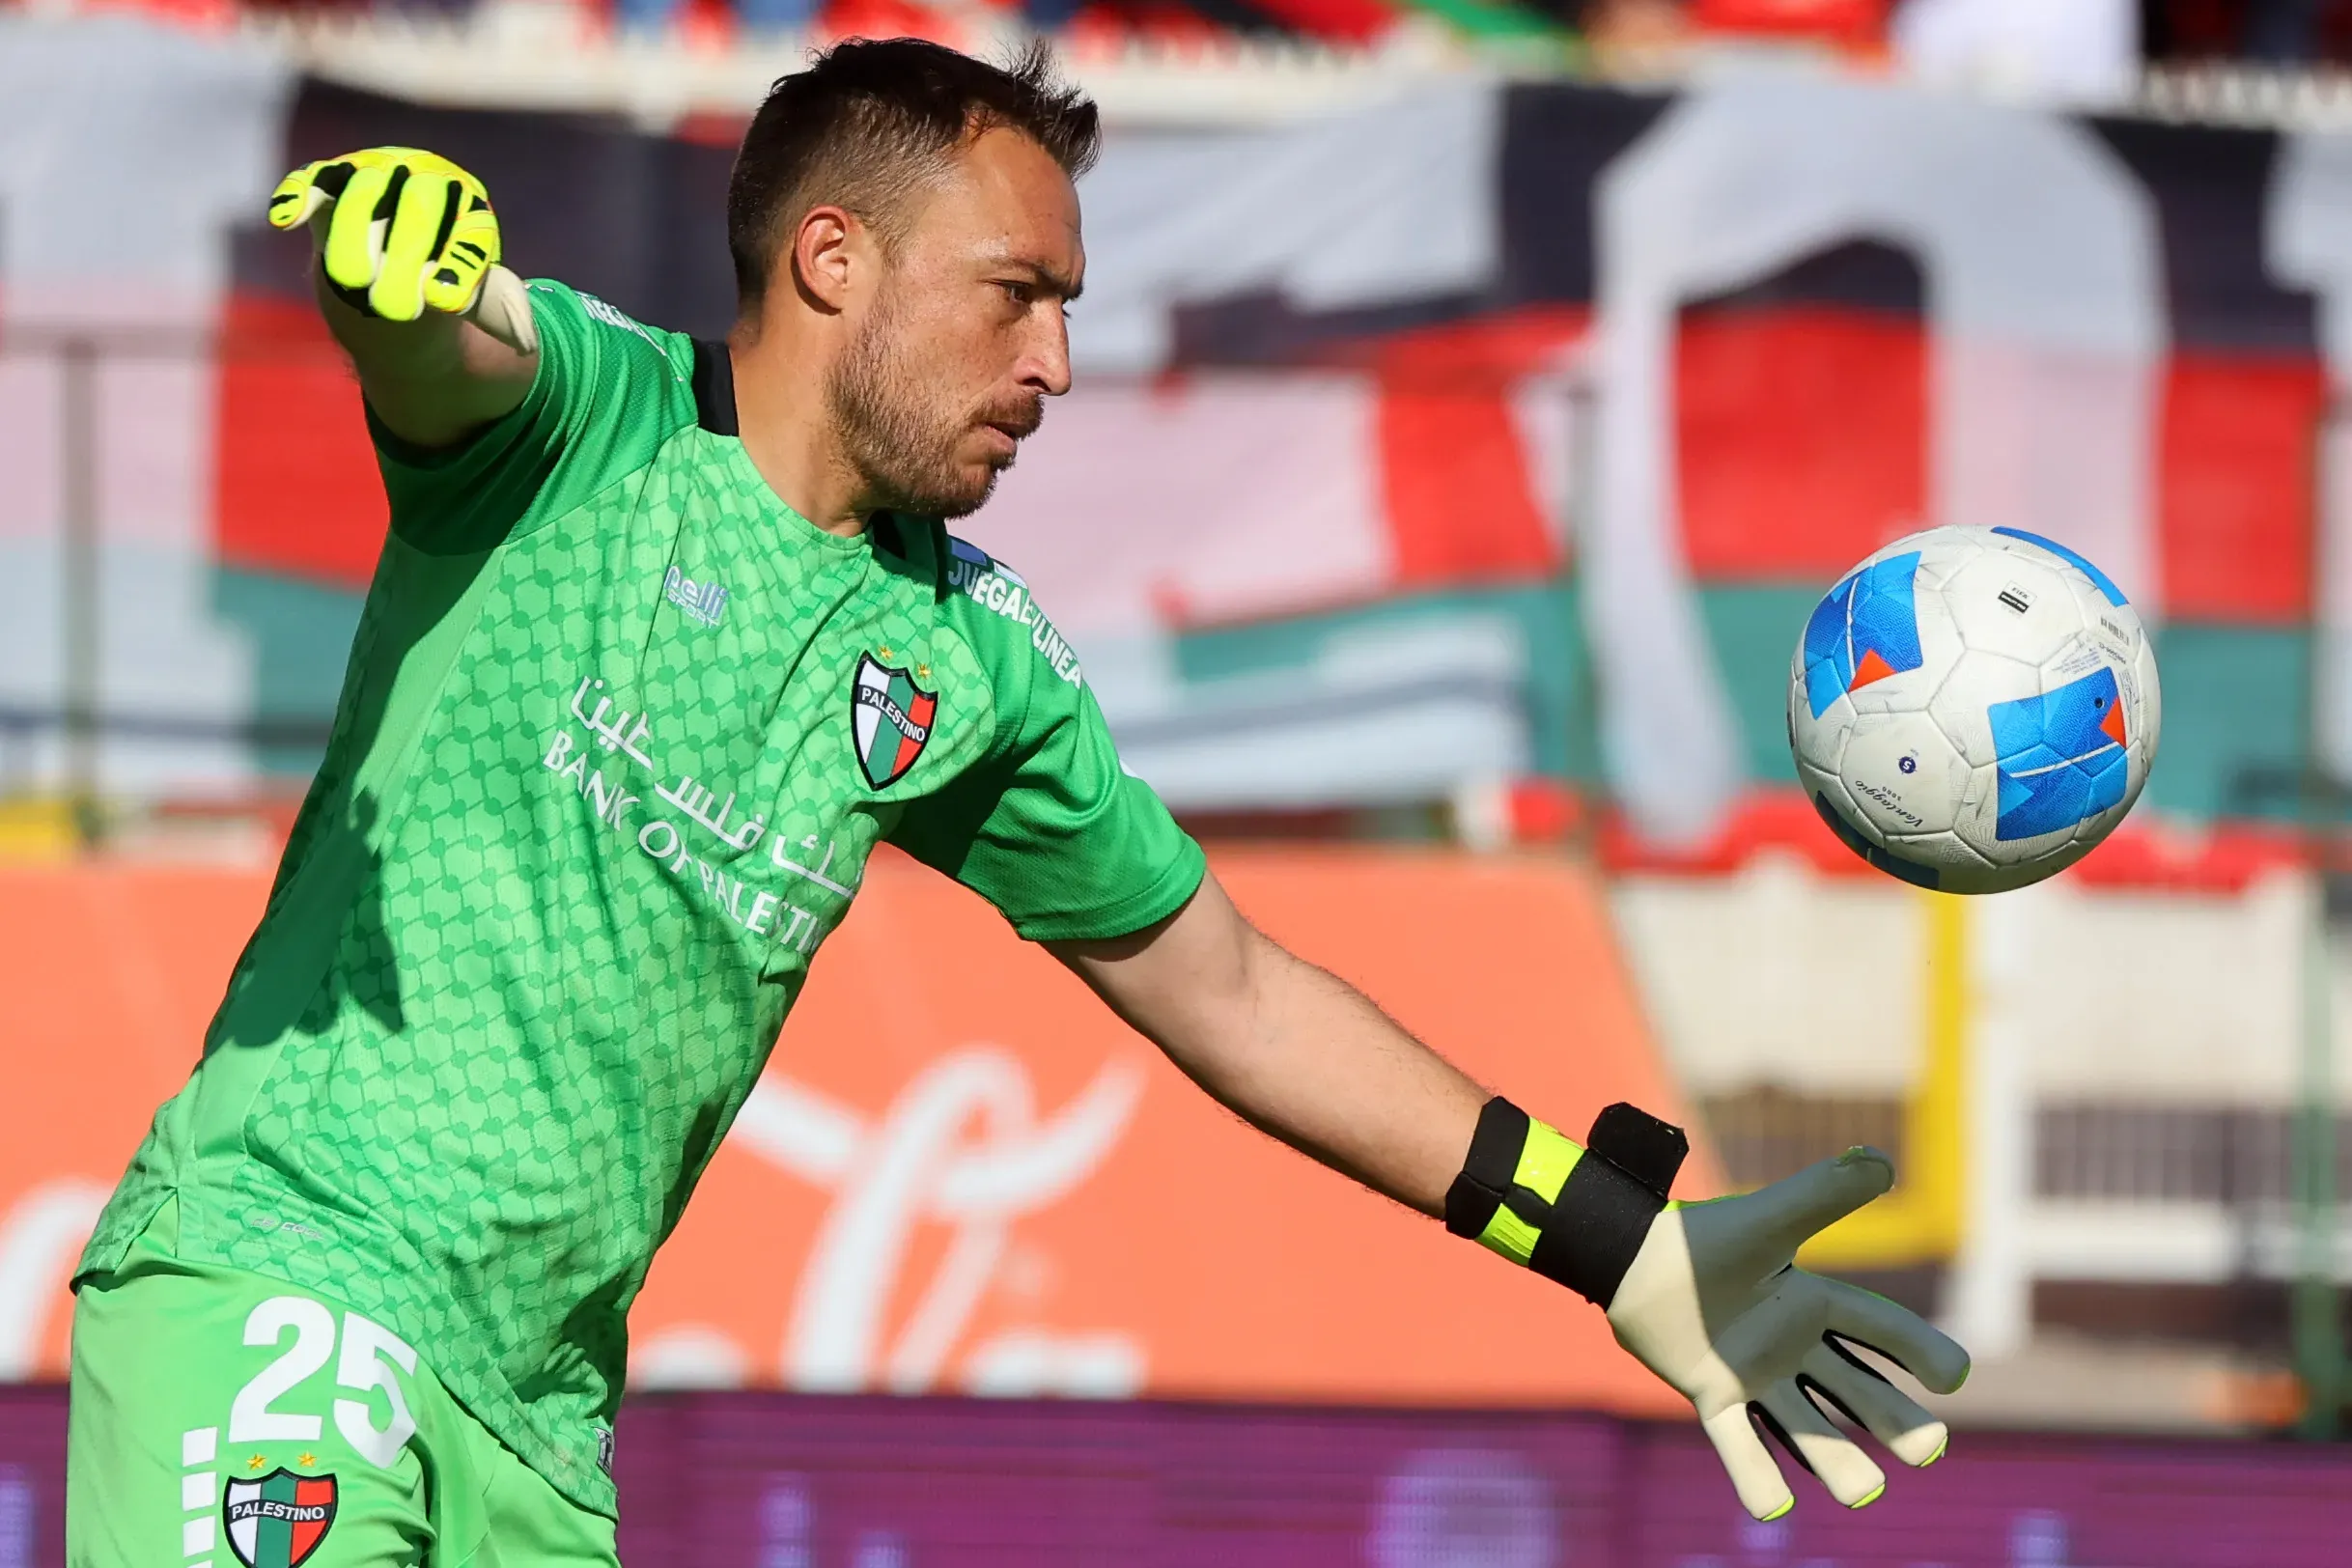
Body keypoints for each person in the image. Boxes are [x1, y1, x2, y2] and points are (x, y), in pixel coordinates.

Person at [65, 40, 1967, 1565]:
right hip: (284, 1277)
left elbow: (1237, 994)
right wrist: (381, 270)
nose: (1056, 361)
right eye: (1015, 298)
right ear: (835, 261)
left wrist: (1612, 1233)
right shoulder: (594, 420)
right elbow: (443, 346)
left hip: (543, 1433)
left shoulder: (974, 666)